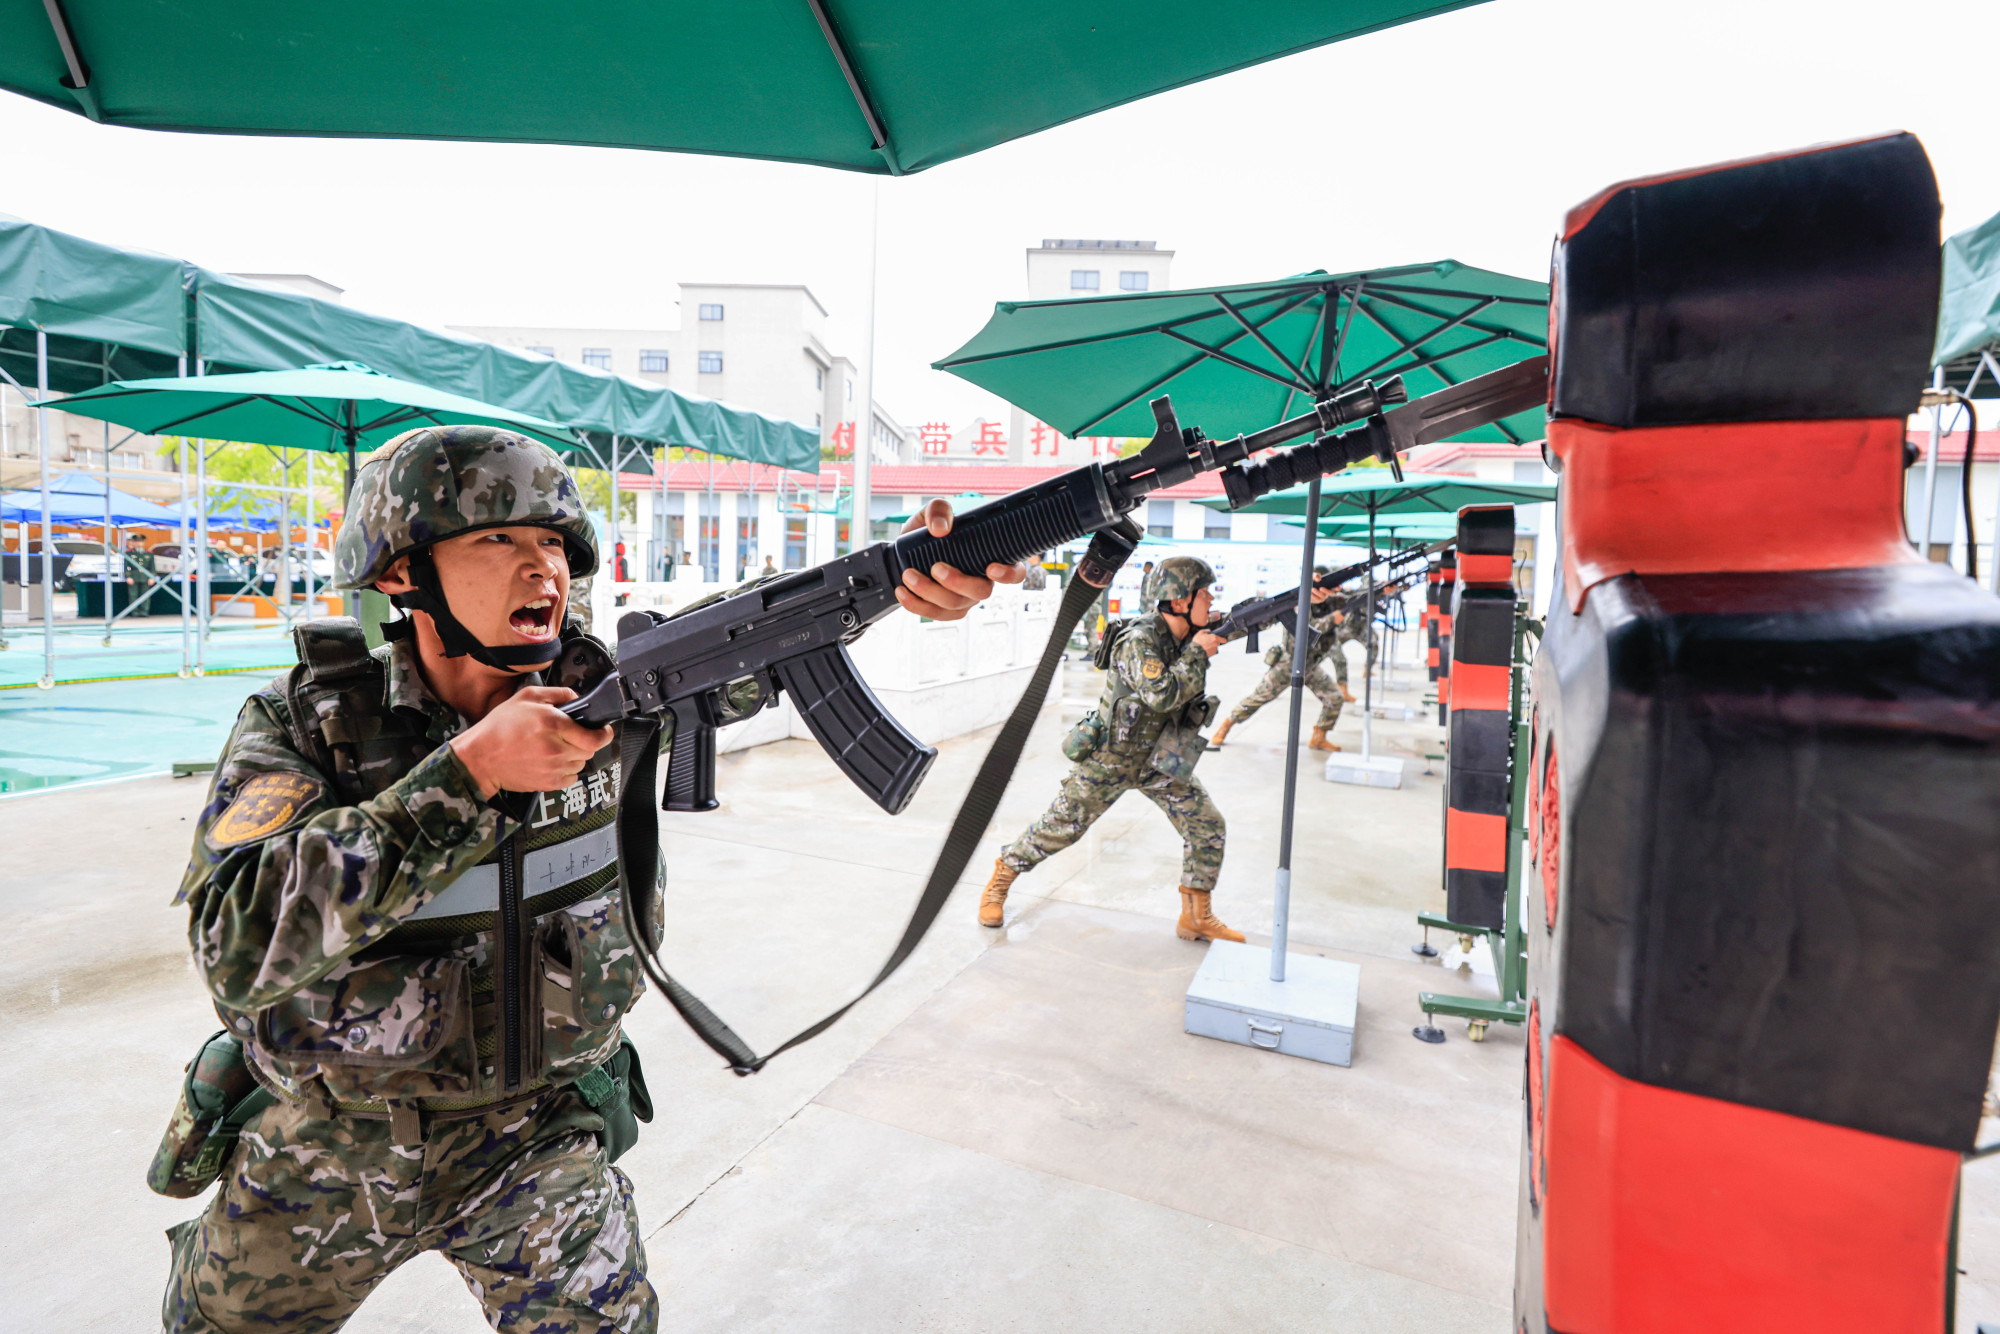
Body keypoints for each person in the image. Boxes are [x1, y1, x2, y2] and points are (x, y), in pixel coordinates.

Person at [159, 425, 1019, 1333]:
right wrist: (468, 776)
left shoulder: (613, 690)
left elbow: (761, 629)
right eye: (499, 539)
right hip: (331, 1142)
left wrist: (903, 585)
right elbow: (234, 944)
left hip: (538, 1139)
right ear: (400, 574)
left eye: (555, 545)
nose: (544, 570)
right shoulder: (307, 724)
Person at [980, 555, 1241, 943]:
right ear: (1181, 600)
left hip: (1161, 759)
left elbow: (1233, 625)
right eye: (1205, 593)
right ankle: (1002, 877)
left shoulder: (1187, 634)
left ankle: (1195, 915)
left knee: (1207, 825)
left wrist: (1300, 605)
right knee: (1061, 828)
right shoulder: (1139, 641)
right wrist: (1200, 652)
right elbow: (1162, 694)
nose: (1211, 600)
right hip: (1111, 759)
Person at [1208, 568, 1357, 753]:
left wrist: (1379, 590)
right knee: (1258, 698)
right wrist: (1332, 619)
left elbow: (1352, 598)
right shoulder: (1299, 602)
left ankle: (1319, 737)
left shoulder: (1329, 600)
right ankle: (1226, 725)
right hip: (1290, 663)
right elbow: (1309, 627)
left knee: (1334, 698)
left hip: (1310, 665)